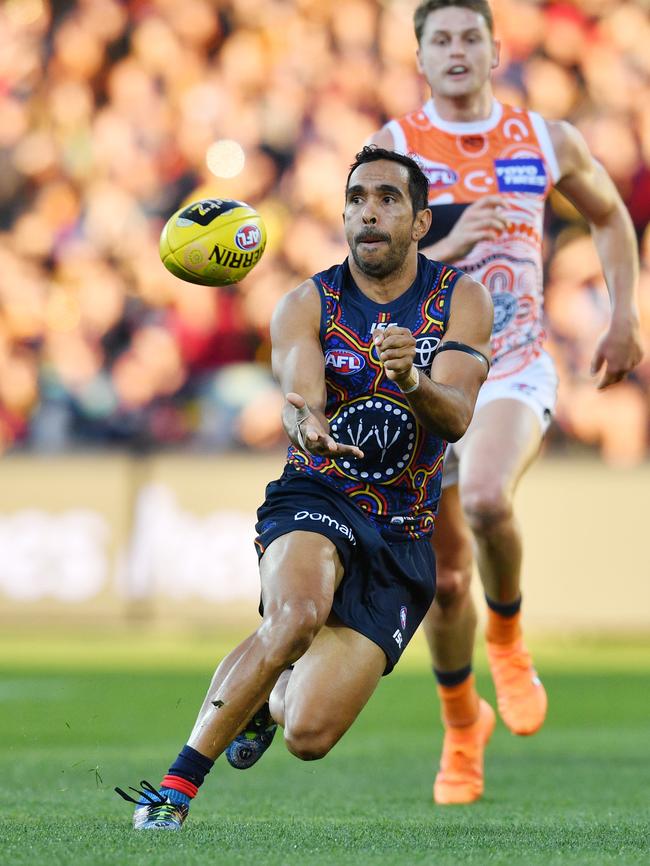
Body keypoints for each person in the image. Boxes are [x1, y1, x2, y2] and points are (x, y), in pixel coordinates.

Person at [115, 145, 493, 830]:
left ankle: (267, 698)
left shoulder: (460, 301)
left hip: (403, 537)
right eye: (356, 199)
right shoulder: (307, 301)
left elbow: (459, 417)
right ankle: (174, 789)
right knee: (294, 616)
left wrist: (413, 379)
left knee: (307, 736)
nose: (368, 212)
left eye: (387, 199)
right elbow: (298, 395)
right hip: (316, 497)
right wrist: (306, 426)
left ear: (420, 222)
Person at [369, 0, 643, 806]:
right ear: (419, 58)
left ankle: (511, 639)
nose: (456, 51)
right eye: (440, 40)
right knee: (446, 581)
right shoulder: (393, 147)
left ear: (497, 50)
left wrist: (625, 313)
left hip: (514, 365)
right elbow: (363, 270)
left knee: (488, 498)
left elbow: (610, 216)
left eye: (470, 37)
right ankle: (462, 730)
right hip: (422, 381)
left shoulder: (544, 139)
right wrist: (448, 245)